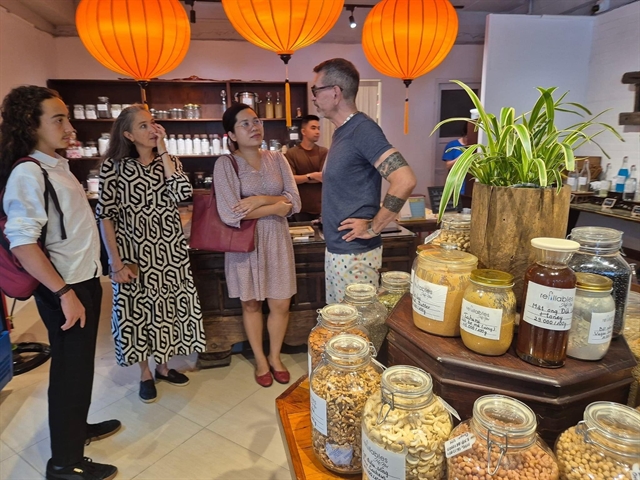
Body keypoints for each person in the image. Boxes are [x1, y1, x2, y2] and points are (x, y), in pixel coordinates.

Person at [1, 86, 119, 480]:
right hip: (65, 287)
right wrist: (64, 293)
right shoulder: (28, 173)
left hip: (81, 281)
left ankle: (76, 429)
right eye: (58, 119)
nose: (70, 127)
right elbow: (22, 243)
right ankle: (65, 462)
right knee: (70, 371)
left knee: (79, 368)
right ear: (31, 125)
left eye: (67, 117)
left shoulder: (55, 165)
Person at [96, 105, 206, 403]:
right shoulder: (113, 167)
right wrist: (114, 261)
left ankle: (164, 366)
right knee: (136, 313)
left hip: (169, 252)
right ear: (128, 135)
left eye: (153, 123)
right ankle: (145, 372)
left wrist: (164, 149)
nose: (152, 129)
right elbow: (105, 216)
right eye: (143, 126)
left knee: (166, 310)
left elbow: (182, 193)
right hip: (133, 253)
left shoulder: (168, 162)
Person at [311, 58, 417, 304]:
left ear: (335, 92)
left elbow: (405, 179)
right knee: (342, 323)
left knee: (357, 325)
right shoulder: (343, 132)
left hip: (355, 255)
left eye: (316, 90)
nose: (313, 97)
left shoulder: (362, 130)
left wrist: (374, 227)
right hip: (340, 251)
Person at [214, 103, 301, 387]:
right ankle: (261, 360)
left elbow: (295, 202)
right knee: (251, 304)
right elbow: (230, 214)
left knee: (281, 303)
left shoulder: (277, 158)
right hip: (245, 245)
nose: (254, 127)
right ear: (232, 135)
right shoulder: (226, 164)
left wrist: (260, 200)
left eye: (256, 121)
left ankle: (275, 357)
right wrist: (276, 206)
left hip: (277, 239)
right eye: (245, 124)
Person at [284, 114, 327, 222]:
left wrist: (301, 178)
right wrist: (311, 176)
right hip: (299, 207)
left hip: (321, 207)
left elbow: (324, 177)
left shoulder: (324, 152)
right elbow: (290, 180)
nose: (317, 132)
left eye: (318, 128)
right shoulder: (291, 153)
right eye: (313, 128)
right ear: (303, 131)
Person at [442, 123, 468, 193]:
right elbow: (448, 165)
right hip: (456, 185)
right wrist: (461, 157)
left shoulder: (476, 145)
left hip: (470, 185)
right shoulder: (452, 145)